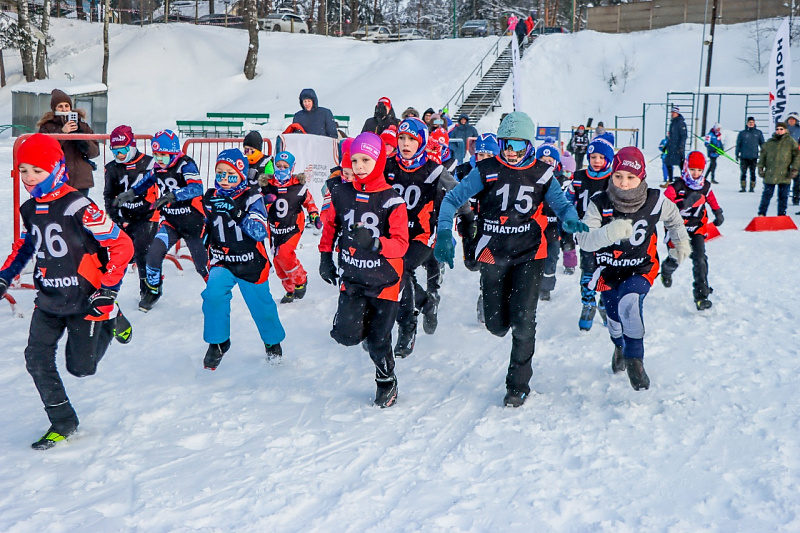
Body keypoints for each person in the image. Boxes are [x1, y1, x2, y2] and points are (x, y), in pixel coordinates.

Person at [434, 112, 587, 408]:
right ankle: (502, 324)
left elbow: (562, 204)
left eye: (518, 146)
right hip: (493, 251)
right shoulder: (486, 169)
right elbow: (453, 199)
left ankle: (517, 386)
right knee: (495, 324)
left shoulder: (543, 173)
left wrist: (569, 219)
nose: (512, 153)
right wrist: (442, 233)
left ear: (529, 144)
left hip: (530, 254)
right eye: (507, 145)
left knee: (523, 322)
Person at [0, 134, 134, 449]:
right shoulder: (30, 208)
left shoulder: (79, 205)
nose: (30, 178)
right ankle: (63, 422)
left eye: (38, 170)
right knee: (36, 359)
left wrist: (109, 291)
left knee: (81, 368)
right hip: (48, 299)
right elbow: (26, 246)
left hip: (86, 299)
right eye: (24, 170)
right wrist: (5, 276)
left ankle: (112, 319)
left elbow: (121, 244)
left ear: (58, 168)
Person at [576, 146, 690, 391]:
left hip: (641, 267)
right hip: (607, 270)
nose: (624, 183)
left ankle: (635, 360)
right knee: (614, 319)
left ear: (642, 177)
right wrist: (608, 232)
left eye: (631, 177)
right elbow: (583, 239)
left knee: (629, 303)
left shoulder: (655, 199)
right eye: (618, 176)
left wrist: (679, 242)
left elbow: (674, 218)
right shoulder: (600, 201)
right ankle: (619, 346)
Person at [318, 132, 409, 408]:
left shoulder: (392, 200)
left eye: (366, 160)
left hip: (385, 281)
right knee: (346, 336)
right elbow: (331, 226)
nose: (359, 166)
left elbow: (401, 244)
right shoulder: (341, 193)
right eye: (355, 160)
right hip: (354, 278)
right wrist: (325, 257)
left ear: (379, 160)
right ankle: (362, 331)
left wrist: (374, 243)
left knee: (378, 340)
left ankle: (386, 381)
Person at [201, 149, 285, 370]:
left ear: (241, 174)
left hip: (250, 261)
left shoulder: (252, 196)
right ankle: (218, 342)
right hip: (223, 259)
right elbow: (207, 224)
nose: (224, 180)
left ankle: (272, 341)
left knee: (261, 305)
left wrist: (236, 212)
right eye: (220, 174)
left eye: (230, 174)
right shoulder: (211, 196)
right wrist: (204, 238)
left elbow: (259, 232)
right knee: (213, 295)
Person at [113, 130, 208, 312]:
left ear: (173, 153)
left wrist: (174, 195)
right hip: (171, 222)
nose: (159, 159)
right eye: (156, 155)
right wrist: (130, 194)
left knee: (202, 265)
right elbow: (147, 181)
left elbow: (197, 188)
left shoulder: (185, 165)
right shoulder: (157, 168)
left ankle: (216, 292)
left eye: (163, 155)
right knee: (153, 256)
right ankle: (154, 290)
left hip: (192, 223)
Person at [384, 117, 457, 356]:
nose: (405, 144)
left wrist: (468, 218)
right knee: (387, 271)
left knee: (400, 269)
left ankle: (407, 328)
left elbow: (459, 194)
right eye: (402, 138)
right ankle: (426, 302)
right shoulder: (387, 165)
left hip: (422, 234)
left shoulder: (434, 169)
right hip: (395, 233)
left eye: (412, 140)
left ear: (422, 142)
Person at [660, 151, 724, 310]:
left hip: (697, 228)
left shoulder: (705, 186)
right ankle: (666, 271)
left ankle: (701, 296)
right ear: (686, 168)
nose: (696, 174)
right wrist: (683, 204)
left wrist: (718, 212)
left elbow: (711, 199)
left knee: (700, 259)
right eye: (693, 169)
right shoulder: (676, 187)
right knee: (677, 258)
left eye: (699, 170)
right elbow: (662, 207)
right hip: (677, 229)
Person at [103, 125, 159, 299]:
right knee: (118, 253)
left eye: (123, 150)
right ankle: (109, 289)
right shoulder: (111, 168)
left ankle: (149, 290)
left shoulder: (149, 163)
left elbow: (156, 192)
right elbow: (108, 194)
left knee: (143, 251)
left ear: (132, 146)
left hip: (148, 215)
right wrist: (115, 217)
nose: (120, 155)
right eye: (115, 151)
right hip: (124, 216)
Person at [260, 151, 321, 303]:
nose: (281, 170)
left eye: (285, 167)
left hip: (293, 226)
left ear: (292, 168)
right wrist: (265, 202)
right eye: (278, 166)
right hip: (274, 228)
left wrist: (314, 216)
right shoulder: (267, 187)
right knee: (278, 262)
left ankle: (301, 279)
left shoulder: (298, 187)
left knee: (285, 253)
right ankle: (290, 289)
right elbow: (257, 207)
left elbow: (309, 202)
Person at [567, 137, 615, 331]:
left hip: (607, 235)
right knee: (587, 270)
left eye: (601, 157)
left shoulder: (613, 179)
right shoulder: (578, 178)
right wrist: (570, 218)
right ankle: (588, 302)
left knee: (606, 270)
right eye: (593, 156)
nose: (596, 160)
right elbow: (568, 200)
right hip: (585, 234)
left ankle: (605, 303)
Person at [36, 89, 100, 196]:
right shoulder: (47, 127)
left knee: (79, 211)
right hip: (57, 178)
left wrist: (80, 136)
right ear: (54, 108)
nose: (64, 109)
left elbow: (94, 153)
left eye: (67, 105)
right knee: (59, 211)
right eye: (60, 106)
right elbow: (45, 151)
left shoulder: (83, 126)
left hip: (81, 180)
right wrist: (62, 133)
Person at [535, 143, 568, 301]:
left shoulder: (563, 182)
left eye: (550, 161)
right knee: (532, 258)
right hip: (534, 229)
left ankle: (546, 287)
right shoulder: (531, 179)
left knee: (551, 258)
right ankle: (531, 284)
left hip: (553, 229)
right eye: (543, 160)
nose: (546, 164)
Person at [757, 121, 800, 217]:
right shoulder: (769, 142)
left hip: (784, 173)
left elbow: (797, 156)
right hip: (770, 173)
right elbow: (762, 156)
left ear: (785, 130)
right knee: (767, 195)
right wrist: (760, 167)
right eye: (777, 129)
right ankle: (762, 213)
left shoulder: (791, 142)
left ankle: (781, 214)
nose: (779, 131)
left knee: (783, 196)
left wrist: (794, 169)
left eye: (781, 129)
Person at [735, 117, 764, 193]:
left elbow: (762, 144)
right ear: (747, 123)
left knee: (753, 173)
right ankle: (743, 187)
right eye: (749, 122)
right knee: (743, 173)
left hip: (754, 157)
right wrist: (737, 154)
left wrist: (764, 154)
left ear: (754, 123)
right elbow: (738, 144)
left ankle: (752, 187)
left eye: (752, 122)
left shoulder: (758, 133)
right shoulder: (742, 133)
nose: (751, 124)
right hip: (744, 157)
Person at [664, 107, 687, 185]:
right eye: (672, 112)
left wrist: (681, 146)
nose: (672, 114)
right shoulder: (672, 123)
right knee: (668, 162)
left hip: (678, 148)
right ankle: (670, 180)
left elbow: (684, 136)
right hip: (671, 148)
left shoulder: (681, 123)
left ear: (677, 113)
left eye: (674, 112)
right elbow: (670, 137)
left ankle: (685, 180)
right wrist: (666, 146)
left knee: (681, 164)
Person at [789, 112, 800, 205]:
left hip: (797, 157)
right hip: (785, 157)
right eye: (790, 119)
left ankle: (796, 198)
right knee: (784, 178)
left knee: (797, 178)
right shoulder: (783, 129)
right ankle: (782, 196)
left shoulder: (799, 129)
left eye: (793, 119)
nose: (792, 121)